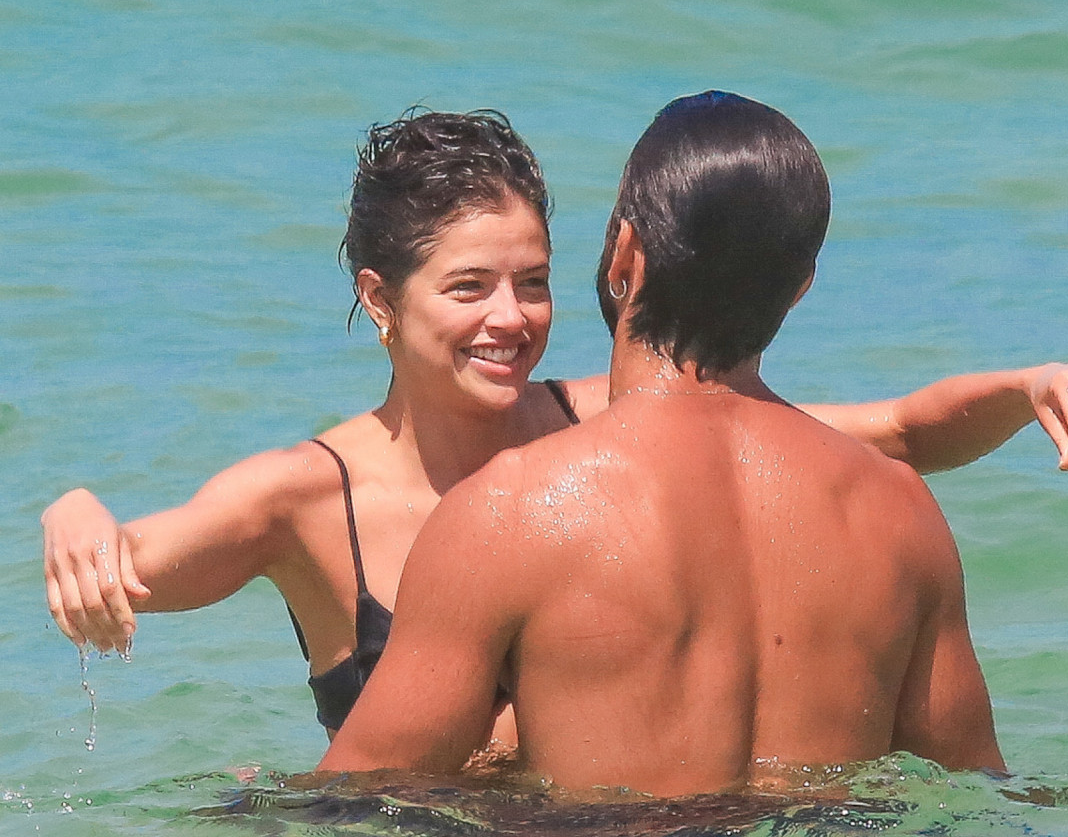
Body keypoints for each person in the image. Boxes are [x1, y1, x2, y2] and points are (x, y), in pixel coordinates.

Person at [42, 108, 1068, 738]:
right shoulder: (298, 499)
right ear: (381, 301)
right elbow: (117, 580)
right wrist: (72, 507)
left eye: (533, 282)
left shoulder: (596, 427)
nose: (511, 319)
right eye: (468, 288)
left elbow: (890, 435)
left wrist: (1024, 385)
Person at [320, 93, 1008, 794]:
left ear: (625, 253)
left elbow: (366, 799)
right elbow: (982, 791)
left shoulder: (508, 509)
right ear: (798, 289)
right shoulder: (900, 511)